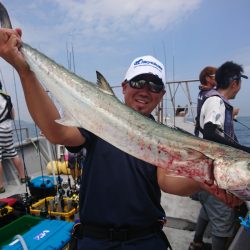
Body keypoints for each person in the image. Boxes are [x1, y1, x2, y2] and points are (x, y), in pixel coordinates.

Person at [0, 28, 241, 249]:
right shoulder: (96, 123)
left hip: (145, 239)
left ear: (162, 94)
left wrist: (203, 181)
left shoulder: (163, 137)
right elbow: (57, 132)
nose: (146, 90)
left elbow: (167, 181)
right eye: (138, 82)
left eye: (155, 85)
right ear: (124, 86)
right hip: (94, 239)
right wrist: (25, 72)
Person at [189, 61, 250, 250]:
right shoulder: (216, 101)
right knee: (222, 223)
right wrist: (245, 151)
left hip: (206, 171)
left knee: (207, 211)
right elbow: (210, 132)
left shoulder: (211, 99)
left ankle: (197, 242)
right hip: (215, 174)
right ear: (235, 83)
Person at [0, 80, 27, 193]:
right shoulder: (6, 97)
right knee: (12, 152)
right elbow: (13, 114)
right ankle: (23, 177)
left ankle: (0, 186)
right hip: (8, 129)